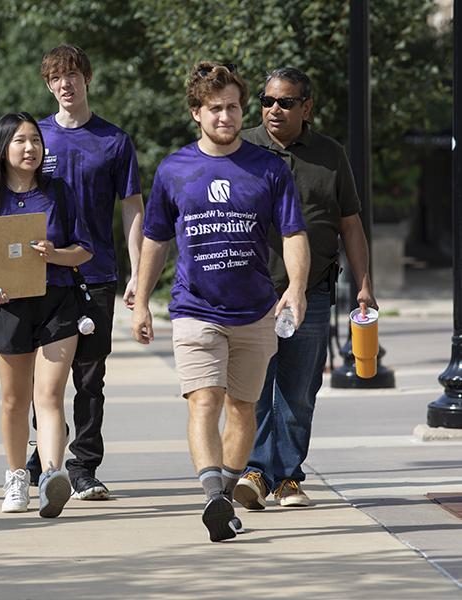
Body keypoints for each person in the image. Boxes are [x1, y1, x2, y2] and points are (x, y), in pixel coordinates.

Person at [131, 62, 310, 542]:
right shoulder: (174, 169)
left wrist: (294, 287)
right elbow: (155, 238)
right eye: (215, 108)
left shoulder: (269, 167)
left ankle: (224, 497)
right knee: (204, 400)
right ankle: (213, 496)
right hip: (194, 308)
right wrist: (142, 299)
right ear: (197, 112)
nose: (225, 116)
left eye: (232, 107)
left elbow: (293, 232)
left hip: (255, 310)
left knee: (243, 408)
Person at [234, 68, 377, 510]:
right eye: (268, 100)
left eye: (286, 102)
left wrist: (365, 287)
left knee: (297, 391)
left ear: (306, 108)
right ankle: (255, 471)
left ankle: (288, 478)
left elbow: (350, 225)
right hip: (251, 291)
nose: (274, 109)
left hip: (312, 291)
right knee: (254, 388)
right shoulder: (242, 148)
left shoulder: (330, 155)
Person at [0, 112, 93, 518]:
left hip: (58, 301)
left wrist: (56, 254)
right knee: (14, 399)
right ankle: (16, 477)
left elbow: (85, 249)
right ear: (2, 147)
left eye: (35, 139)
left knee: (49, 396)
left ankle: (52, 476)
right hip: (8, 305)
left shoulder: (60, 193)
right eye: (20, 140)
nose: (30, 148)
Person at [30, 45, 144, 500]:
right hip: (45, 274)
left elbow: (132, 207)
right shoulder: (34, 138)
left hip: (96, 273)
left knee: (90, 375)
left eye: (73, 74)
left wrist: (139, 273)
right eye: (57, 77)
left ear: (87, 78)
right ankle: (45, 461)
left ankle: (84, 467)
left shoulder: (114, 141)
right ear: (48, 85)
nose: (65, 84)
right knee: (47, 377)